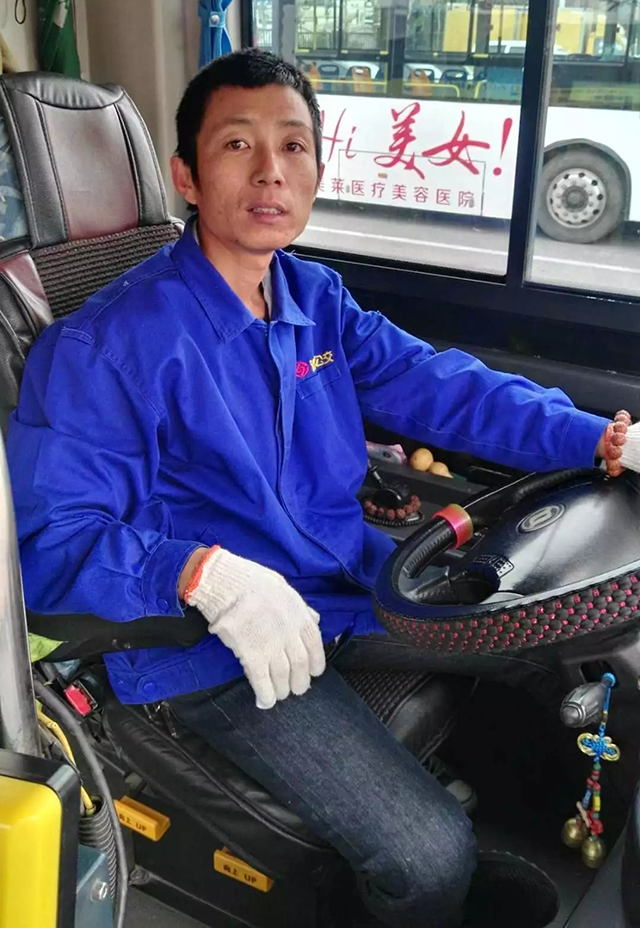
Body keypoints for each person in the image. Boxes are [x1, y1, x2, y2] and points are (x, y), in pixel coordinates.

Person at [7, 48, 640, 928]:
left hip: (345, 586)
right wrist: (199, 574)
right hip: (215, 646)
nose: (271, 171)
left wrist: (600, 438)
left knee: (554, 643)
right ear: (187, 175)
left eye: (294, 146)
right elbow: (46, 541)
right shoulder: (108, 345)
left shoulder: (313, 297)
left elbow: (439, 384)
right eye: (238, 145)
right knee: (428, 858)